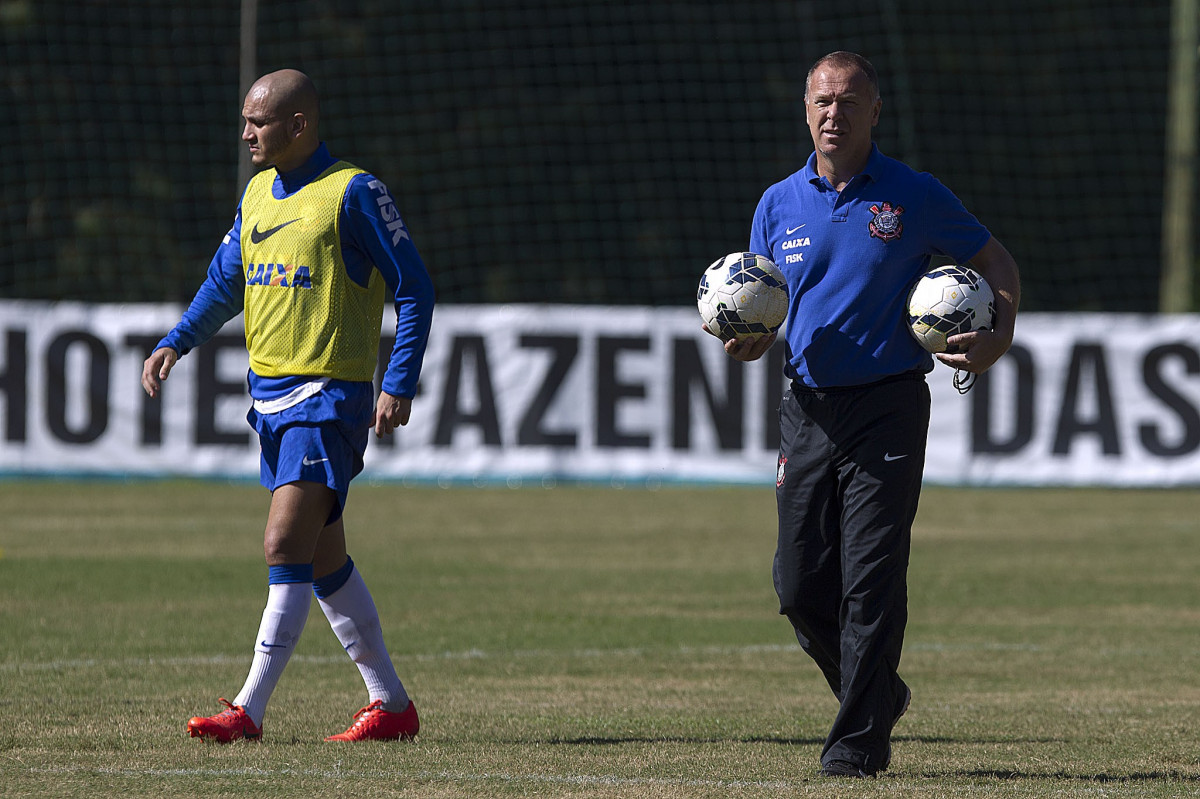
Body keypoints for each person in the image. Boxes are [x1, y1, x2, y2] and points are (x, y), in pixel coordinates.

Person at [713, 51, 1020, 777]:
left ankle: (856, 744)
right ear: (806, 108)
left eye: (849, 101)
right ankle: (879, 690)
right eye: (822, 100)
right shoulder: (776, 203)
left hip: (888, 406)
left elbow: (998, 262)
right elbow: (761, 316)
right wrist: (746, 344)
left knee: (871, 577)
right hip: (807, 409)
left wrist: (997, 336)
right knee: (797, 586)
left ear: (874, 112)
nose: (833, 113)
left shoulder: (912, 194)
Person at [141, 69, 435, 744]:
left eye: (258, 122)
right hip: (269, 403)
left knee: (282, 541)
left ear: (299, 124)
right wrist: (176, 341)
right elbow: (226, 282)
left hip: (328, 398)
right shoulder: (256, 195)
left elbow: (414, 288)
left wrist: (399, 380)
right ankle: (391, 705)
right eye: (245, 120)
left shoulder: (353, 193)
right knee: (324, 558)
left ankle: (247, 710)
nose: (245, 133)